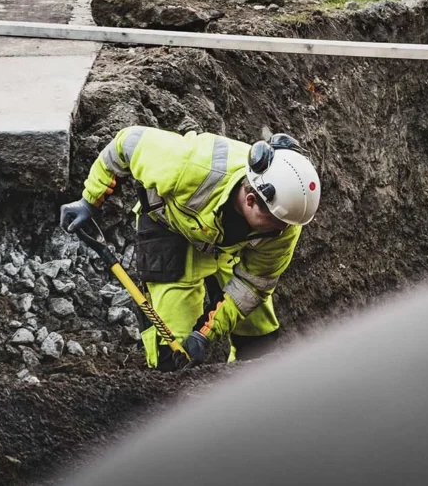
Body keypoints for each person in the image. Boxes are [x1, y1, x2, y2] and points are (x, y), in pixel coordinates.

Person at [59, 126, 321, 371]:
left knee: (259, 338)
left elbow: (252, 285)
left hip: (227, 246)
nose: (283, 232)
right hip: (169, 227)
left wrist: (205, 333)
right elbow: (126, 144)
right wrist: (89, 200)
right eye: (276, 224)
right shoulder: (186, 166)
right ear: (251, 200)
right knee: (174, 355)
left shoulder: (286, 219)